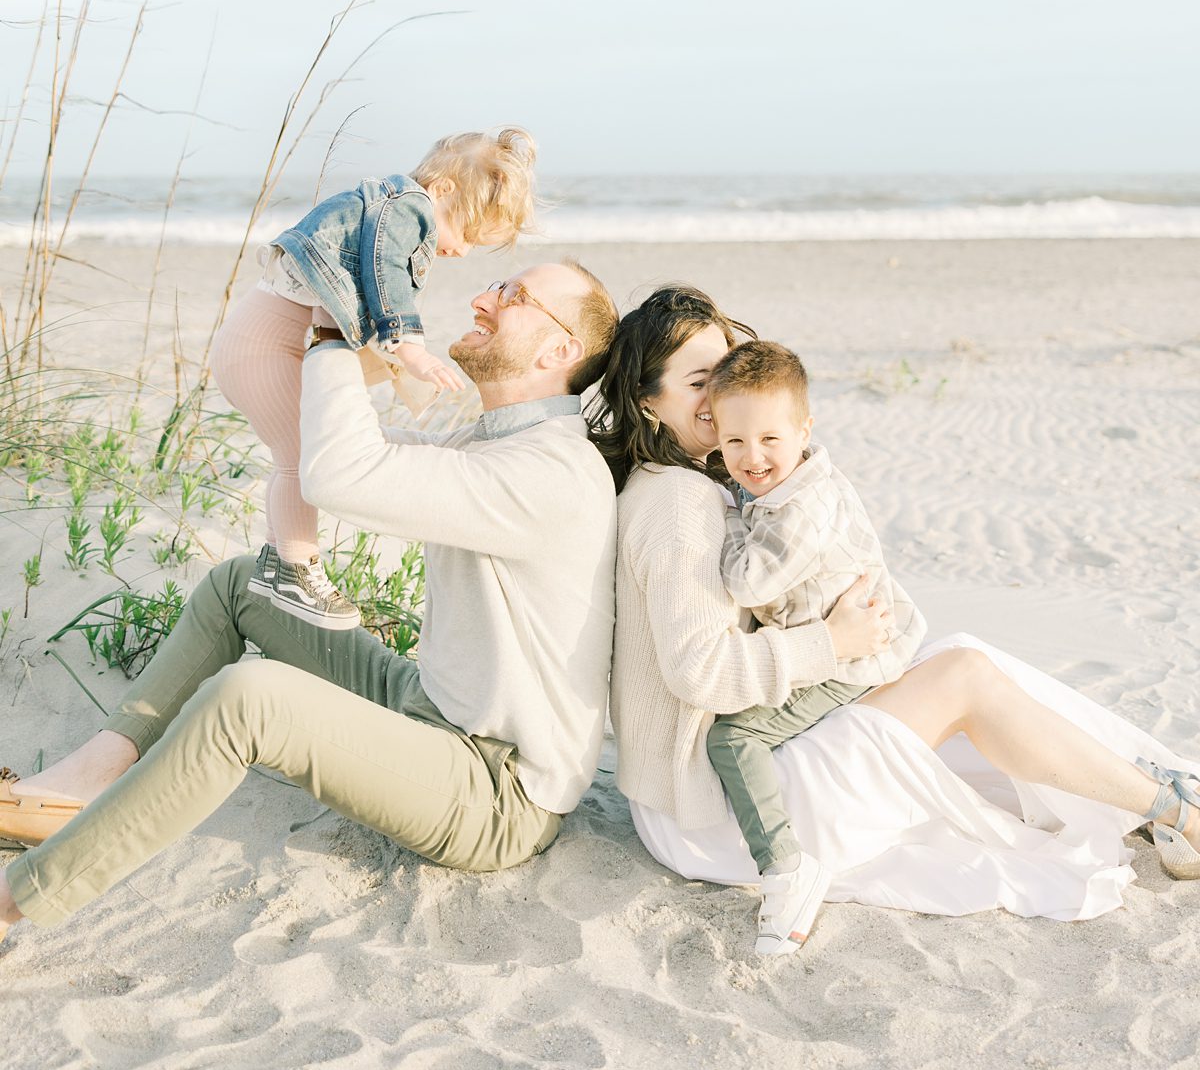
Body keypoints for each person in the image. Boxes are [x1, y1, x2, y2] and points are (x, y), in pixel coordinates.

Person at [0, 260, 620, 944]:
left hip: (494, 789)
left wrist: (329, 333)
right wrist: (331, 329)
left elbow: (342, 475)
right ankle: (89, 778)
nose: (483, 298)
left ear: (560, 350)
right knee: (246, 588)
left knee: (250, 698)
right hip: (429, 706)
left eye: (514, 296)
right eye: (495, 285)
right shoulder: (500, 440)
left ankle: (12, 901)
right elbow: (338, 444)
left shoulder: (551, 474)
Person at [592, 285, 1200, 940]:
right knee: (962, 674)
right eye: (699, 382)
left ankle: (1149, 794)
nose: (718, 398)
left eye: (727, 373)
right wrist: (833, 640)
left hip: (718, 782)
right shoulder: (679, 505)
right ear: (649, 400)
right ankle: (1173, 807)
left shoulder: (698, 482)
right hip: (715, 813)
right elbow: (699, 673)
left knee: (956, 658)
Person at [209, 126, 538, 630]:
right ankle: (297, 566)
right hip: (259, 348)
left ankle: (280, 564)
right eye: (466, 234)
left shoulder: (389, 210)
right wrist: (409, 347)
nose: (463, 251)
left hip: (260, 343)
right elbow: (384, 274)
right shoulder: (405, 208)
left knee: (294, 456)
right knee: (300, 457)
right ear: (443, 190)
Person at [702, 339, 926, 954]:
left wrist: (716, 516)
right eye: (735, 441)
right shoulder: (788, 481)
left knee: (732, 736)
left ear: (804, 428)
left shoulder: (802, 507)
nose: (752, 458)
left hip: (854, 656)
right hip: (829, 634)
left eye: (770, 439)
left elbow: (746, 581)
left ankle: (786, 867)